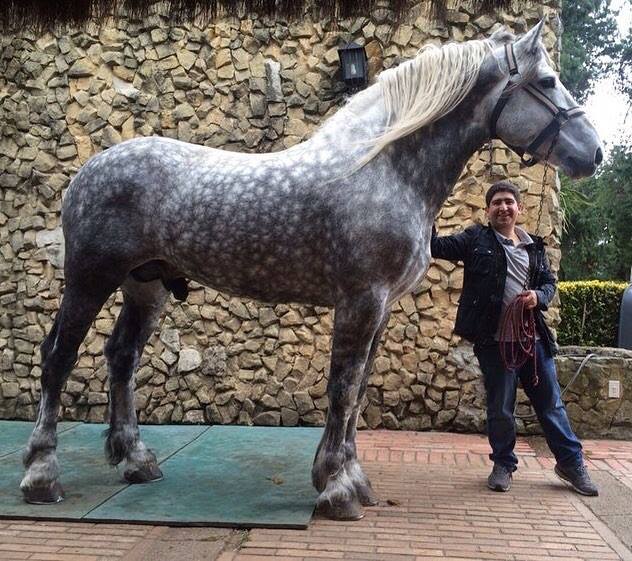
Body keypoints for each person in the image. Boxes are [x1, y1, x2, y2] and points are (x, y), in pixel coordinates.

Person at [430, 180, 598, 496]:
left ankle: (572, 465)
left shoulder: (534, 246)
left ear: (519, 209)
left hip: (533, 340)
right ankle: (503, 465)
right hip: (494, 343)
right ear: (488, 210)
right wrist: (428, 208)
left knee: (551, 405)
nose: (503, 207)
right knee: (501, 407)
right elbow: (436, 246)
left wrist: (538, 295)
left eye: (509, 202)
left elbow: (549, 283)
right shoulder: (474, 239)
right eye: (497, 203)